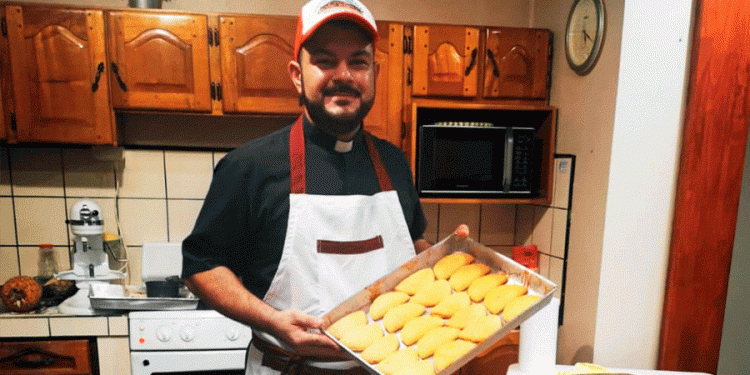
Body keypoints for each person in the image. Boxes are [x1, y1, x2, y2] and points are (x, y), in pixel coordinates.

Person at [181, 0, 450, 374]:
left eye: (358, 62)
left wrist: (450, 261)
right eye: (325, 60)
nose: (344, 75)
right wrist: (271, 321)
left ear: (374, 72)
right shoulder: (250, 166)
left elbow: (414, 243)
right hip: (288, 367)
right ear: (296, 74)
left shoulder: (394, 163)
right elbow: (201, 266)